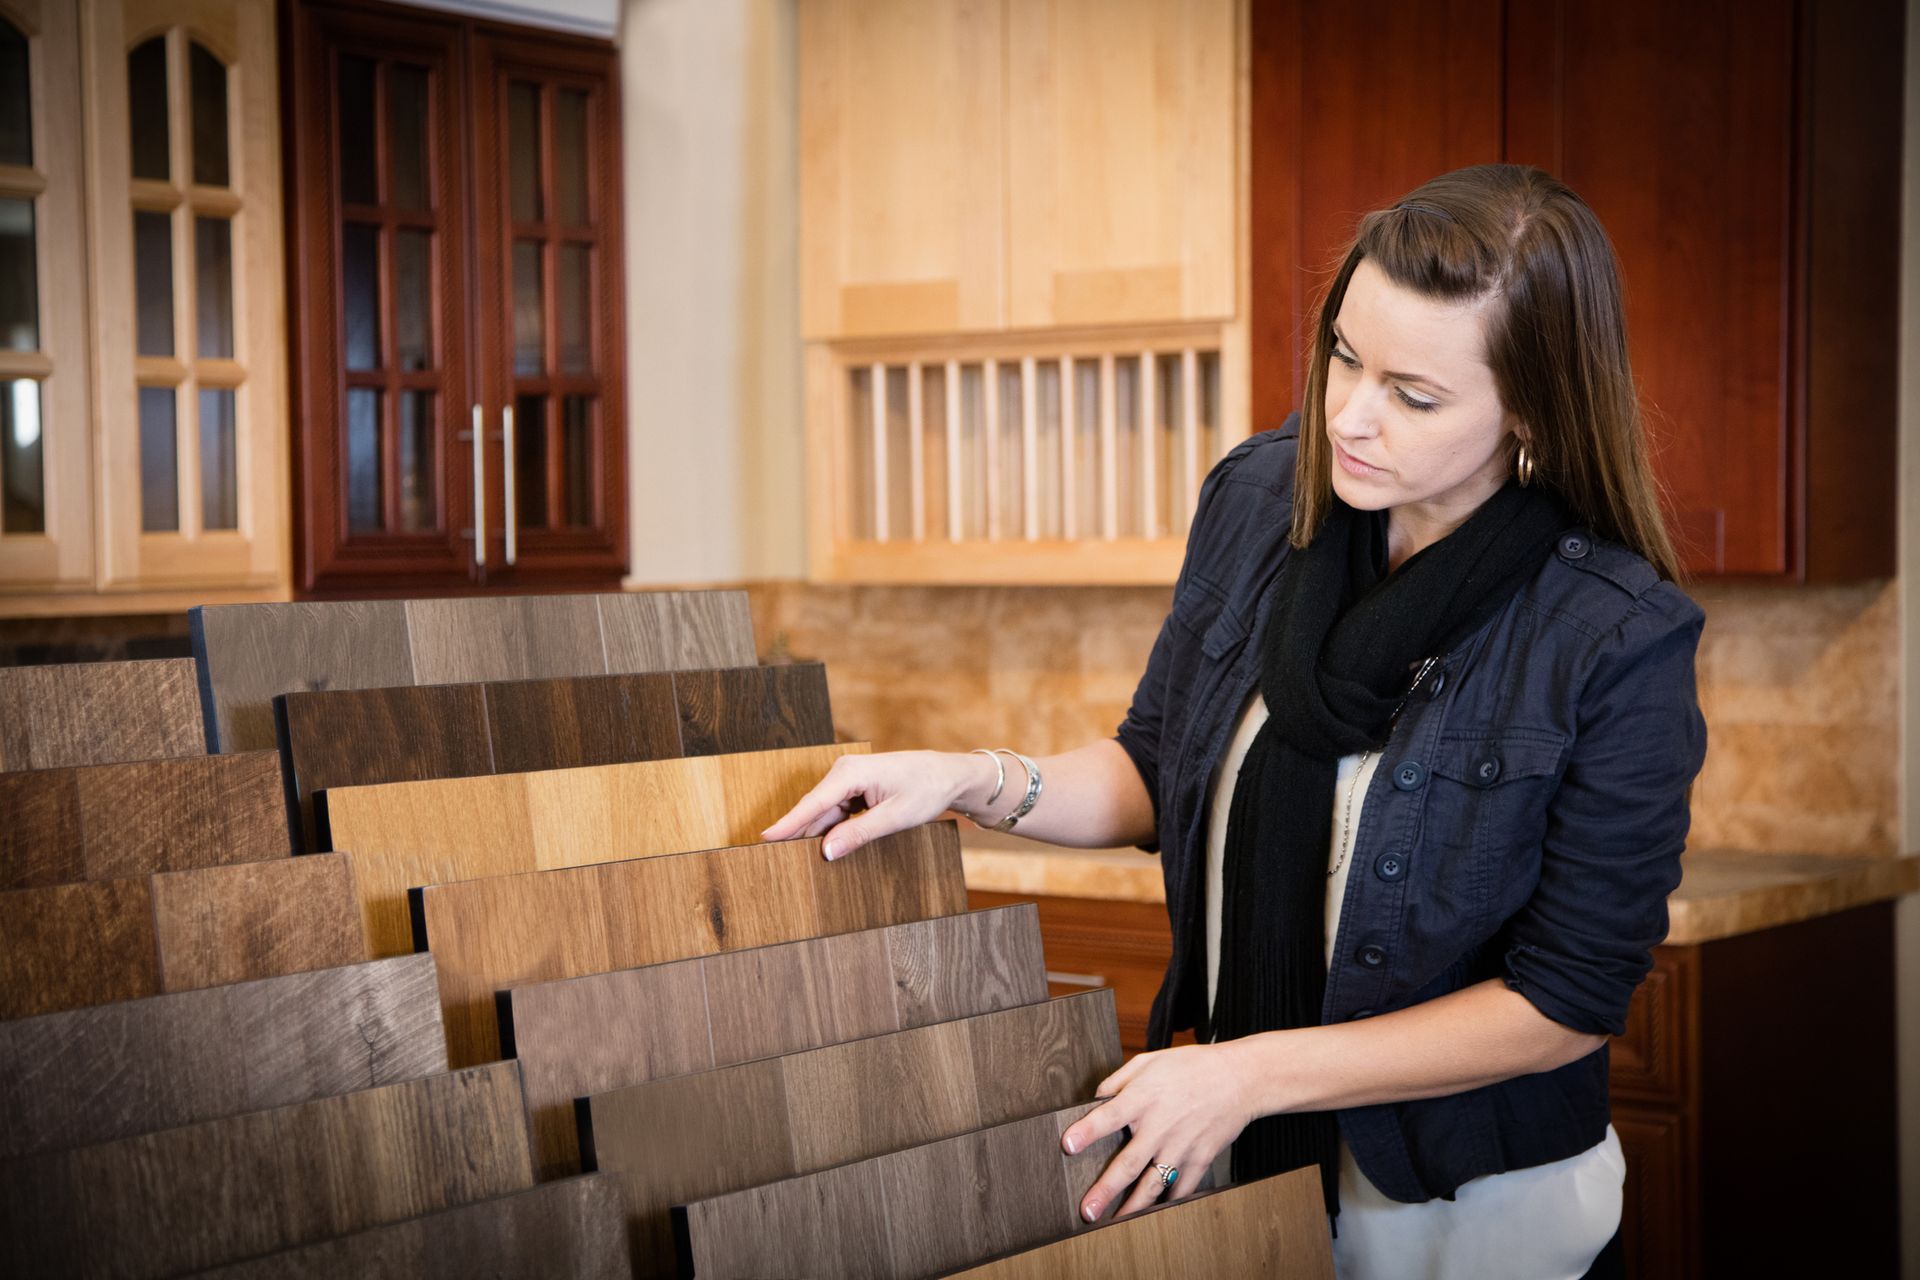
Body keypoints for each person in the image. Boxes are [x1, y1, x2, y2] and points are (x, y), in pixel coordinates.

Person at [761, 162, 1707, 1280]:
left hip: (1471, 1215)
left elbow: (1568, 1000)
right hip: (1230, 1174)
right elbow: (1157, 768)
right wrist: (972, 778)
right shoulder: (1266, 499)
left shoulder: (1611, 632)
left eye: (1415, 394)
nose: (1350, 415)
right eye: (1345, 354)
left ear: (1534, 409)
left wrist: (1250, 1071)